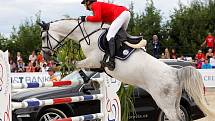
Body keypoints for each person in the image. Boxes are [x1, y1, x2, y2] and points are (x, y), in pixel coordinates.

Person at [80, 0, 130, 71]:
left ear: (88, 2)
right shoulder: (99, 7)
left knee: (109, 36)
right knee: (119, 36)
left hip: (121, 14)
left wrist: (85, 18)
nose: (84, 6)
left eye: (84, 3)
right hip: (125, 13)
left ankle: (111, 61)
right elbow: (103, 21)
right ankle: (123, 54)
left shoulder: (95, 4)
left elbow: (97, 18)